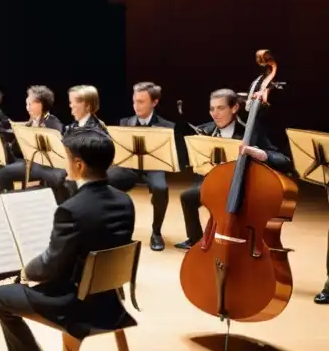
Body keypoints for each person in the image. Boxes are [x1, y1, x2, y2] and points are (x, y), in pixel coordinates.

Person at [0, 128, 135, 351]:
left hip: (77, 305)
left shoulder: (72, 208)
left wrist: (24, 271)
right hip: (109, 300)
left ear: (78, 165)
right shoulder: (124, 200)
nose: (64, 163)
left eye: (66, 157)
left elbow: (50, 267)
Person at [177, 88, 292, 250]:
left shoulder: (249, 132)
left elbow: (284, 160)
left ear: (234, 108)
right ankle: (195, 241)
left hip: (240, 185)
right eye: (212, 109)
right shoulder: (204, 130)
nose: (215, 114)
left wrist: (261, 154)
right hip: (211, 182)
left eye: (221, 108)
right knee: (187, 197)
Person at [105, 82, 177, 252]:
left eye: (141, 102)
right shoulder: (125, 122)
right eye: (134, 101)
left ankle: (156, 232)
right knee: (103, 180)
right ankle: (111, 228)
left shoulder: (167, 126)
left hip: (154, 167)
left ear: (155, 102)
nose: (136, 106)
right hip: (129, 166)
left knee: (160, 188)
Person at [0, 86, 70, 203]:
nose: (27, 108)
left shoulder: (53, 124)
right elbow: (17, 151)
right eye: (27, 104)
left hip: (48, 167)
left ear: (41, 104)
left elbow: (57, 154)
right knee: (2, 174)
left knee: (52, 178)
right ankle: (10, 204)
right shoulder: (31, 122)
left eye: (31, 104)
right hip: (30, 164)